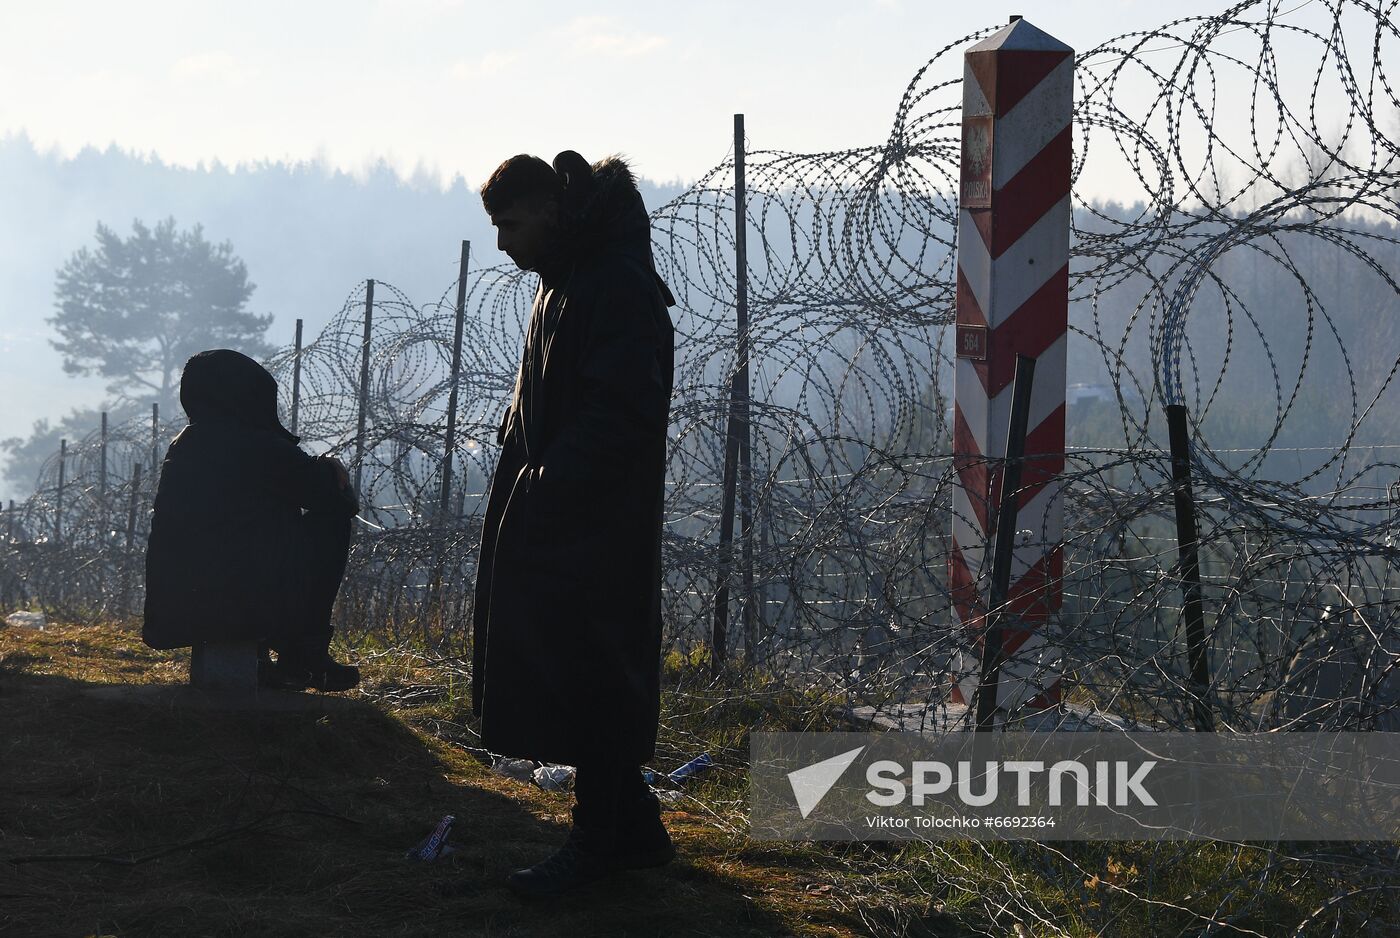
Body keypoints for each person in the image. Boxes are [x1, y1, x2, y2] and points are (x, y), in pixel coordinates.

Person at [471, 151, 677, 897]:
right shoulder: (570, 281)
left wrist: (551, 485)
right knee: (577, 665)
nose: (503, 244)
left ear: (551, 212)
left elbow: (619, 410)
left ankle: (596, 844)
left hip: (594, 521)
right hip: (560, 512)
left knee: (591, 673)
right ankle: (637, 831)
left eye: (511, 223)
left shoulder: (613, 285)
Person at [142, 348, 361, 692]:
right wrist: (329, 468)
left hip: (176, 607)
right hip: (235, 606)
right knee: (329, 524)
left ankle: (263, 658)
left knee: (250, 532)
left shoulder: (186, 445)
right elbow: (336, 501)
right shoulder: (259, 447)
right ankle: (303, 651)